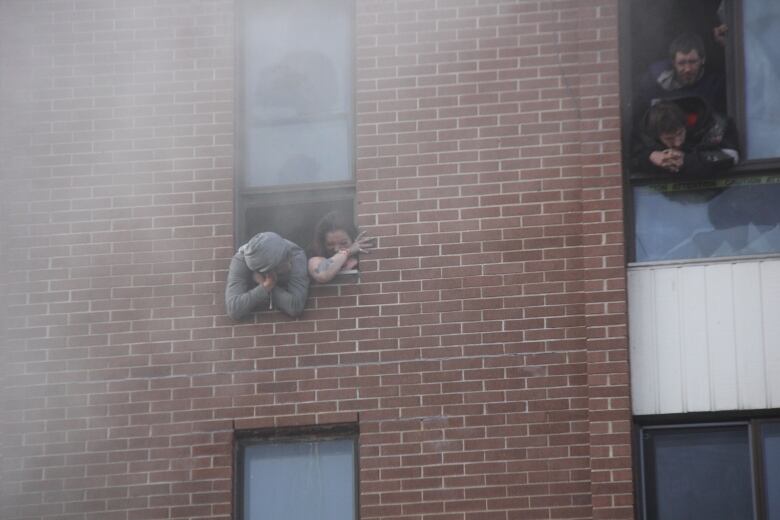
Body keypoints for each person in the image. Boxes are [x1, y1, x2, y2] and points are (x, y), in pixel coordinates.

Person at [632, 96, 738, 177]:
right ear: (657, 136)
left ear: (686, 125)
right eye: (669, 138)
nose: (678, 142)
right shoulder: (645, 135)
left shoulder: (716, 124)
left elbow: (731, 156)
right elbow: (630, 159)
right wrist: (650, 157)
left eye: (680, 133)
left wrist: (686, 161)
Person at [635, 33, 726, 120]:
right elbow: (640, 119)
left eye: (692, 62)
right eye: (681, 63)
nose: (687, 69)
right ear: (673, 63)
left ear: (703, 60)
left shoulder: (716, 85)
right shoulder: (653, 83)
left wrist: (725, 44)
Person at [225, 232, 309, 320]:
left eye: (286, 257)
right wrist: (265, 287)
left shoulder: (295, 254)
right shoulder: (241, 260)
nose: (289, 264)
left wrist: (265, 284)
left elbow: (295, 306)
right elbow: (233, 309)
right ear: (266, 271)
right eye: (282, 263)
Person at [307, 212, 376, 284]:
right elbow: (322, 274)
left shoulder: (361, 259)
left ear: (353, 239)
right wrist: (348, 251)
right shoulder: (315, 260)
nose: (336, 249)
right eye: (330, 244)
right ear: (323, 244)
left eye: (343, 243)